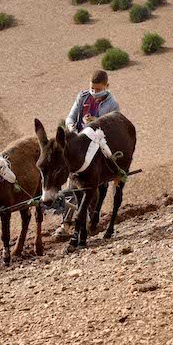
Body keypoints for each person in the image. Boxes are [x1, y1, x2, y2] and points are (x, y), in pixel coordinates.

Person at [54, 70, 120, 239]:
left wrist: (93, 124)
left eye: (98, 89)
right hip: (77, 147)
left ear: (107, 86)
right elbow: (70, 118)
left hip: (97, 147)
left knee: (99, 186)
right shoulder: (82, 97)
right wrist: (72, 129)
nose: (94, 92)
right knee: (72, 184)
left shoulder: (112, 105)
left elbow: (111, 127)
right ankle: (65, 224)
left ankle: (92, 219)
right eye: (92, 88)